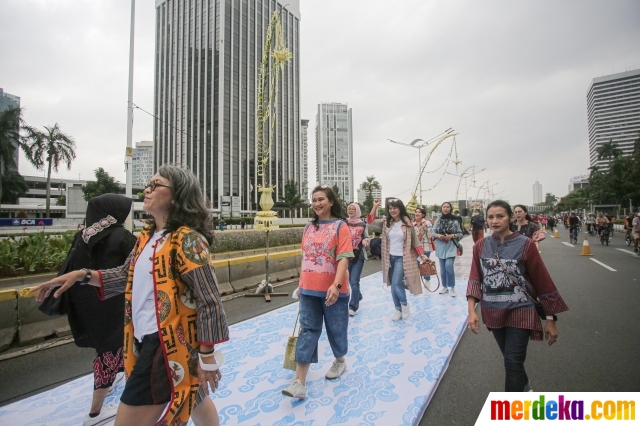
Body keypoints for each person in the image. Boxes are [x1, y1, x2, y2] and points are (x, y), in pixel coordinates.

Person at [33, 165, 230, 426]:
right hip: (147, 339)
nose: (146, 190)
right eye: (147, 184)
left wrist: (207, 357)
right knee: (197, 398)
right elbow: (126, 277)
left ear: (176, 195)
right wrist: (81, 275)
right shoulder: (147, 237)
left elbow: (209, 299)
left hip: (165, 346)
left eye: (155, 185)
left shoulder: (187, 240)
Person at [466, 200, 569, 392]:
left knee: (512, 362)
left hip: (521, 311)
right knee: (510, 359)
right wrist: (472, 311)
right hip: (493, 312)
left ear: (510, 217)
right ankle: (525, 389)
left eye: (500, 216)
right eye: (490, 217)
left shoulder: (526, 244)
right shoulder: (480, 246)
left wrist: (550, 319)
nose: (494, 221)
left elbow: (542, 282)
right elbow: (475, 278)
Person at [60, 194, 137, 426]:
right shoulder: (123, 237)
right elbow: (135, 272)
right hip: (114, 304)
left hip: (87, 305)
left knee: (109, 348)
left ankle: (116, 375)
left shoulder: (81, 237)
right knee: (110, 351)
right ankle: (95, 413)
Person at [282, 185, 353, 399]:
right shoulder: (308, 228)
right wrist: (301, 284)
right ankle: (299, 382)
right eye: (314, 200)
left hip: (334, 292)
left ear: (331, 202)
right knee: (308, 331)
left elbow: (344, 258)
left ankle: (340, 360)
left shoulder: (341, 226)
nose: (317, 203)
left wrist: (337, 285)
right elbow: (306, 257)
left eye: (321, 199)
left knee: (336, 329)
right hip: (309, 290)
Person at [367, 198, 427, 321]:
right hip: (389, 258)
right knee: (392, 285)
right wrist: (375, 206)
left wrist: (422, 255)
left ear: (400, 209)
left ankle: (404, 304)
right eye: (390, 208)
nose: (392, 210)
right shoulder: (386, 222)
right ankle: (398, 309)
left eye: (395, 208)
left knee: (395, 283)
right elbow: (369, 221)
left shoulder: (407, 223)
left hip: (402, 257)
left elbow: (415, 241)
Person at [432, 202, 463, 297]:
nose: (445, 208)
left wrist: (452, 236)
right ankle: (444, 286)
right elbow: (433, 233)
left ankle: (452, 287)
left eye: (448, 207)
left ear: (451, 208)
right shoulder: (438, 220)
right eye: (444, 207)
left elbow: (461, 234)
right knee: (442, 268)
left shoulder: (455, 221)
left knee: (448, 266)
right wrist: (438, 235)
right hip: (440, 247)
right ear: (441, 209)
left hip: (451, 246)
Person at [346, 203, 370, 316]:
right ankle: (358, 295)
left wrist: (365, 241)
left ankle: (353, 306)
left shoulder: (362, 223)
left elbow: (366, 236)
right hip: (346, 256)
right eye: (349, 209)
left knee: (354, 281)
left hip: (359, 255)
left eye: (353, 209)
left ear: (357, 211)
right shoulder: (344, 223)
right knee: (349, 280)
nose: (351, 210)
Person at [413, 207, 433, 283]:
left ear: (423, 215)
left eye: (419, 212)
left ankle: (427, 281)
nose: (417, 213)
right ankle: (416, 281)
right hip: (416, 248)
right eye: (416, 212)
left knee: (425, 265)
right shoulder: (412, 224)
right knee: (415, 265)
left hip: (425, 247)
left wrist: (425, 229)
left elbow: (430, 236)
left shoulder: (427, 223)